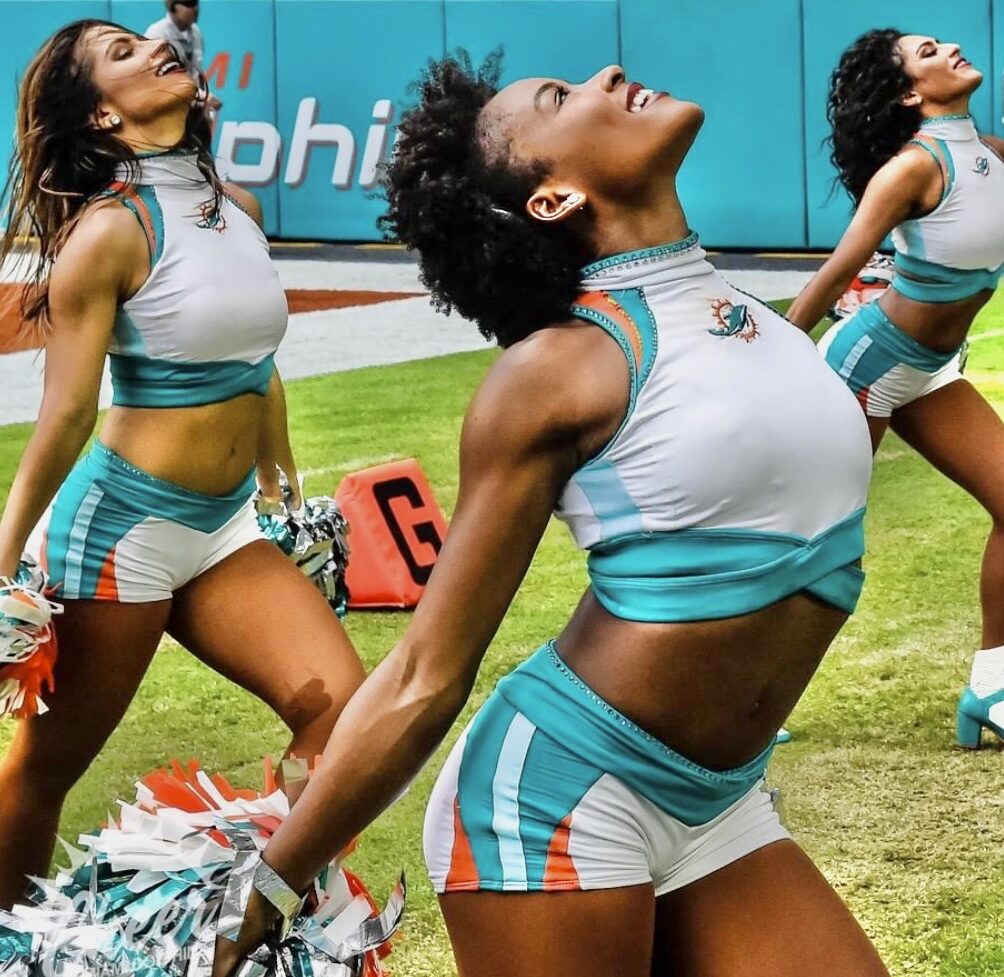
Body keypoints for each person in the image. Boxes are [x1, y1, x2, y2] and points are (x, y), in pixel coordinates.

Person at [213, 56, 887, 977]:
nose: (608, 72)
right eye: (560, 99)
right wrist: (274, 881)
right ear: (552, 198)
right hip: (556, 805)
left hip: (720, 802)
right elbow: (423, 673)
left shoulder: (747, 315)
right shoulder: (557, 371)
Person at [0, 20, 365, 906]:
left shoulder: (236, 209)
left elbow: (256, 362)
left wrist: (281, 478)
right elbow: (68, 413)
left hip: (224, 525)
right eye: (122, 55)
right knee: (45, 772)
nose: (154, 49)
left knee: (345, 710)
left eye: (146, 41)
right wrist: (2, 554)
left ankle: (252, 917)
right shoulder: (110, 233)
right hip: (121, 535)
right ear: (101, 115)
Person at [786, 30, 1004, 749]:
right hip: (869, 366)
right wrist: (773, 363)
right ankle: (739, 711)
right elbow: (834, 273)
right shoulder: (912, 169)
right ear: (911, 93)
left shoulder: (993, 156)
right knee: (816, 547)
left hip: (931, 371)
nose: (951, 47)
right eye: (929, 51)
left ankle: (992, 688)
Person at [146, 1, 222, 114]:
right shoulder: (157, 35)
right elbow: (163, 82)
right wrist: (200, 96)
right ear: (173, 7)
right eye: (189, 4)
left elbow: (197, 73)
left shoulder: (196, 32)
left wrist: (204, 95)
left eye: (196, 3)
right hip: (165, 111)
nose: (195, 9)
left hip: (190, 108)